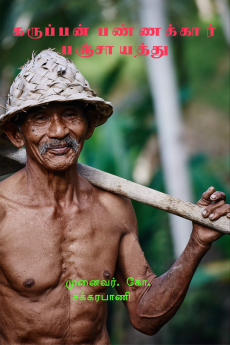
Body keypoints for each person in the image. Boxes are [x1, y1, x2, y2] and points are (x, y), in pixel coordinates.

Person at [0, 49, 229, 345]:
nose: (58, 131)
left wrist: (197, 244)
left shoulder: (113, 208)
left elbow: (145, 315)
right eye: (41, 118)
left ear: (90, 125)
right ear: (16, 135)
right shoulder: (3, 213)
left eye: (70, 114)